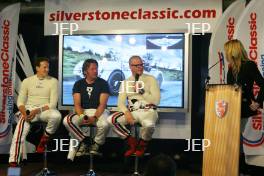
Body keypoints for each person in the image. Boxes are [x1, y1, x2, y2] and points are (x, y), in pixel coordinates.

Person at [9, 57, 62, 167]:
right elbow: (20, 102)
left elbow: (52, 104)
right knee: (19, 132)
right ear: (37, 68)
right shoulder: (27, 81)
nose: (47, 69)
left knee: (57, 116)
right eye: (44, 67)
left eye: (48, 67)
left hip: (44, 110)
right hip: (28, 111)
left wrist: (36, 111)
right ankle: (13, 162)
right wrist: (25, 113)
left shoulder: (53, 81)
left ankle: (45, 138)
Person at [108, 55, 160, 157]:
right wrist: (127, 113)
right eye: (137, 65)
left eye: (141, 64)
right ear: (130, 66)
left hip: (148, 111)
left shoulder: (151, 79)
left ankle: (142, 145)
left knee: (149, 126)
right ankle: (132, 143)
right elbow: (120, 103)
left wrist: (142, 91)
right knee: (112, 120)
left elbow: (156, 101)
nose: (140, 67)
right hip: (132, 112)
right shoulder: (126, 82)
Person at [225, 39, 264, 175]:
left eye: (227, 51)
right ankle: (238, 167)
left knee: (236, 138)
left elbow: (262, 84)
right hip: (232, 108)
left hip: (245, 108)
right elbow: (229, 87)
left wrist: (258, 102)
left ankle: (240, 168)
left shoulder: (249, 65)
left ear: (233, 51)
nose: (225, 54)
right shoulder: (231, 68)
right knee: (234, 137)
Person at [63, 59, 110, 161]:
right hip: (83, 111)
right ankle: (85, 141)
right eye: (92, 69)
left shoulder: (103, 83)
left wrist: (94, 117)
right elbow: (77, 104)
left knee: (105, 124)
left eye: (96, 69)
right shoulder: (78, 84)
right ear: (85, 71)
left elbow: (102, 104)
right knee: (67, 121)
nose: (95, 71)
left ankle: (96, 144)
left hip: (100, 111)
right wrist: (81, 116)